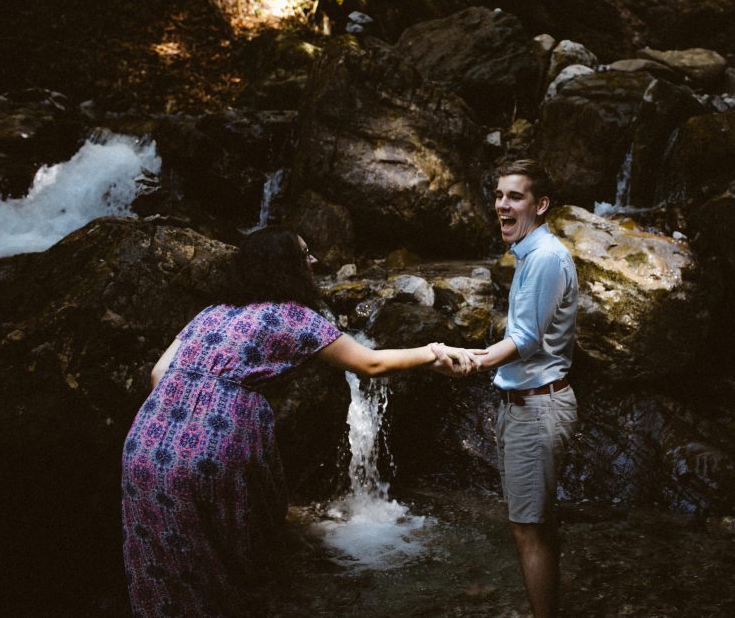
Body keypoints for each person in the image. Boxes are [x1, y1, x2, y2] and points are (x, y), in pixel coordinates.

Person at [121, 226, 478, 617]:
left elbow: (158, 375)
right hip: (215, 442)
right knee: (230, 560)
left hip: (145, 442)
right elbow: (371, 363)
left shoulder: (212, 313)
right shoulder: (295, 317)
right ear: (284, 266)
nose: (314, 262)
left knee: (166, 561)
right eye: (304, 254)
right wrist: (433, 351)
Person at [463, 160, 580, 618]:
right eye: (498, 196)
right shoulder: (532, 254)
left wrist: (472, 360)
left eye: (515, 196)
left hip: (537, 408)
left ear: (541, 204)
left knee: (527, 529)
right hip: (526, 405)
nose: (502, 205)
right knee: (535, 524)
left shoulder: (546, 257)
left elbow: (527, 340)